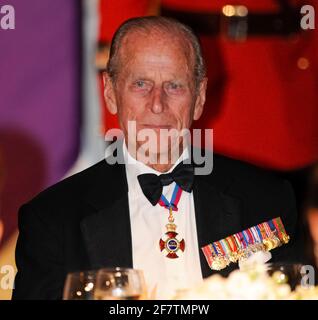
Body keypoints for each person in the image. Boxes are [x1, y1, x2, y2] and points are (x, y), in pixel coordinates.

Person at [13, 16, 304, 300]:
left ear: (199, 97)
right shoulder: (52, 220)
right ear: (111, 93)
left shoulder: (266, 201)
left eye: (174, 85)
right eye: (141, 84)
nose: (157, 104)